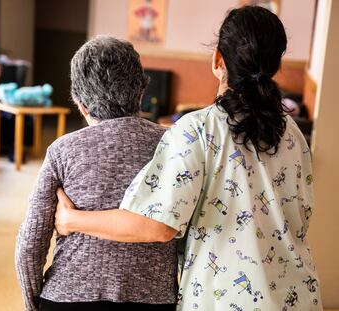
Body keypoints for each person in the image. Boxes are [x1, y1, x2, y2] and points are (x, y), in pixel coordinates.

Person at [54, 6, 322, 311]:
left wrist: (71, 220)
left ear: (218, 59)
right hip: (298, 295)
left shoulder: (199, 130)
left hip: (224, 300)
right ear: (276, 65)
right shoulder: (294, 134)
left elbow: (156, 225)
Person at [15, 36, 178, 311]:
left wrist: (35, 304)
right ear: (140, 93)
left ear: (80, 104)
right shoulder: (173, 145)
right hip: (153, 300)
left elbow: (30, 244)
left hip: (68, 297)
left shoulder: (62, 151)